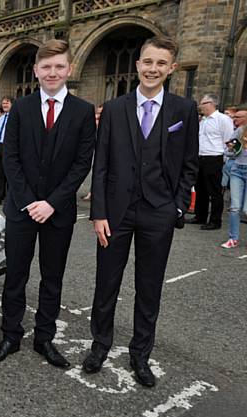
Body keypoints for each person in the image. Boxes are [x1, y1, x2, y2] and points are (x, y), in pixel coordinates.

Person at [83, 36, 199, 387]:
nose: (153, 69)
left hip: (158, 213)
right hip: (115, 213)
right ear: (137, 65)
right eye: (148, 62)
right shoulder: (114, 108)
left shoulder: (184, 110)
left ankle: (140, 356)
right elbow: (101, 164)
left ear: (171, 68)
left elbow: (189, 164)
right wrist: (98, 214)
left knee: (149, 289)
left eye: (161, 64)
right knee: (106, 284)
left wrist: (176, 207)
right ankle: (100, 345)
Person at [0, 39, 96, 368]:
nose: (52, 72)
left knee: (52, 277)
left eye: (59, 66)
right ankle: (10, 335)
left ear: (69, 69)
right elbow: (11, 159)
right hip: (21, 208)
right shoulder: (20, 108)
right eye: (46, 67)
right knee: (15, 275)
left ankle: (44, 339)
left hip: (58, 213)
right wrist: (32, 201)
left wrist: (52, 203)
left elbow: (81, 164)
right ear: (36, 70)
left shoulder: (83, 111)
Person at [186, 94, 234, 230]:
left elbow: (228, 140)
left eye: (203, 103)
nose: (200, 106)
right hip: (200, 157)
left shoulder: (223, 119)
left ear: (211, 103)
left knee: (214, 191)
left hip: (214, 157)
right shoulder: (204, 120)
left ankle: (215, 220)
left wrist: (223, 157)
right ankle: (200, 216)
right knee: (200, 188)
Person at [221, 104, 247, 248]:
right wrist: (234, 150)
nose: (234, 118)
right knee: (235, 207)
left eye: (238, 116)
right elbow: (228, 151)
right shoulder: (237, 132)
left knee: (246, 209)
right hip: (237, 170)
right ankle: (233, 238)